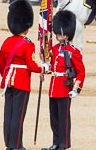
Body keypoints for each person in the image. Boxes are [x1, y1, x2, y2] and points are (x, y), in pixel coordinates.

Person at [0, 0, 49, 150]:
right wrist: (43, 68)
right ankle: (17, 145)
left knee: (8, 114)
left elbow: (1, 64)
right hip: (21, 82)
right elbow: (31, 66)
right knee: (18, 116)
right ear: (26, 26)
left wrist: (6, 77)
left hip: (8, 82)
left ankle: (9, 144)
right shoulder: (27, 44)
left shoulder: (7, 41)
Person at [41, 10, 85, 150]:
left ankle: (63, 144)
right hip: (54, 87)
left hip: (65, 88)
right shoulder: (54, 48)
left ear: (67, 34)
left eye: (61, 34)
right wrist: (45, 66)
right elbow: (51, 65)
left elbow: (81, 71)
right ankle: (55, 142)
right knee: (54, 118)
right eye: (58, 33)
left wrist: (76, 89)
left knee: (63, 118)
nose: (59, 36)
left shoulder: (73, 51)